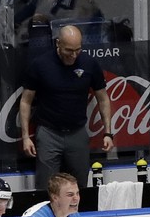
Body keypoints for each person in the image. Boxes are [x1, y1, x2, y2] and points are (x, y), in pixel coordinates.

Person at [19, 24, 114, 193]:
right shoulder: (40, 65)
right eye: (69, 50)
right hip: (48, 132)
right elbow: (26, 101)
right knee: (46, 187)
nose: (74, 55)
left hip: (77, 132)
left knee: (80, 187)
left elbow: (103, 98)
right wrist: (26, 136)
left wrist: (108, 132)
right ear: (58, 44)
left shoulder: (89, 64)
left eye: (78, 49)